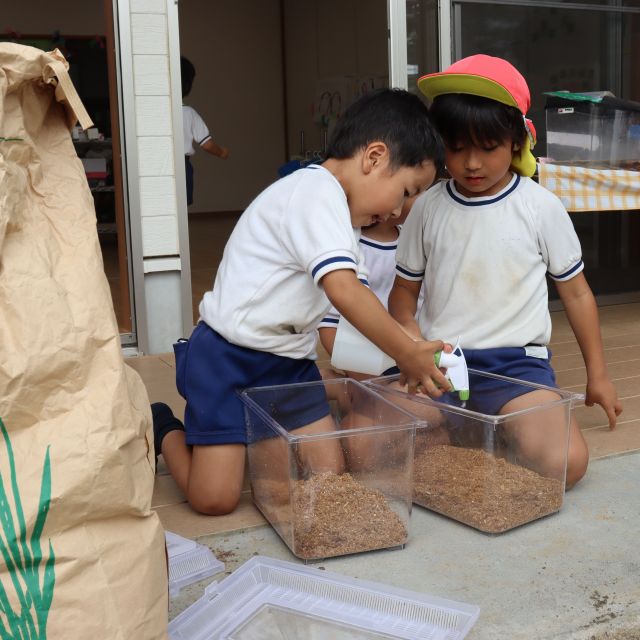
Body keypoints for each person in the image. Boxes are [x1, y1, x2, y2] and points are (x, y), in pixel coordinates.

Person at [153, 88, 450, 515]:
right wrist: (407, 354)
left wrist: (402, 359)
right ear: (375, 158)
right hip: (227, 356)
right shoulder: (313, 193)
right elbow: (346, 293)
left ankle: (259, 426)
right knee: (214, 499)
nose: (401, 211)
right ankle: (165, 425)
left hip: (288, 364)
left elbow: (357, 309)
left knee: (327, 477)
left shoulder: (347, 225)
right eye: (406, 191)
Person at [389, 54, 623, 488]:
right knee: (370, 448)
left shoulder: (540, 207)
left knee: (567, 463)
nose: (472, 164)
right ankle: (470, 433)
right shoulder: (427, 207)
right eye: (456, 149)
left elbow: (577, 294)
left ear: (516, 141)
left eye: (488, 148)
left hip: (517, 371)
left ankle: (479, 431)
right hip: (438, 366)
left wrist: (600, 376)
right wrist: (413, 345)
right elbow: (403, 294)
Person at [317, 195, 424, 381]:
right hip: (362, 351)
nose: (424, 198)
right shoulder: (347, 245)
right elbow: (330, 321)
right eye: (412, 190)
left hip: (411, 345)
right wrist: (359, 372)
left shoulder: (413, 238)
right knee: (374, 401)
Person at [181, 55, 229, 206]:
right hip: (182, 166)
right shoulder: (188, 113)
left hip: (159, 165)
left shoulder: (154, 112)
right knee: (181, 206)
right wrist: (222, 152)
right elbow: (207, 144)